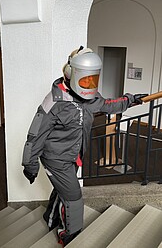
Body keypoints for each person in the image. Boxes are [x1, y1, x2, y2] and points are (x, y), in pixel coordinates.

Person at [22, 46, 147, 247]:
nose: (90, 85)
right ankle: (70, 235)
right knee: (74, 198)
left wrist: (131, 100)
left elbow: (108, 104)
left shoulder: (90, 98)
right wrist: (30, 164)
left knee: (63, 190)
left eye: (93, 79)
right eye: (85, 79)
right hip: (56, 159)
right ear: (71, 74)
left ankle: (51, 218)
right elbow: (35, 135)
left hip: (74, 155)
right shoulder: (54, 102)